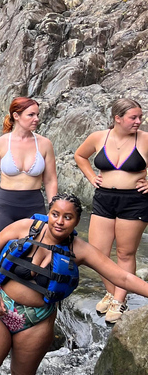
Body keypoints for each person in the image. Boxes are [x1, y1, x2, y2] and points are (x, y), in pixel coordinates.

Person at [0, 193, 148, 375]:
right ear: (49, 213)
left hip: (36, 322)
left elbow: (122, 278)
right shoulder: (25, 227)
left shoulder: (80, 249)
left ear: (77, 222)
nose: (59, 221)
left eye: (68, 217)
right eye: (55, 214)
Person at [74, 98, 148, 322]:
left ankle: (119, 300)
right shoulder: (99, 137)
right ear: (117, 118)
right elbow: (80, 155)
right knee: (97, 253)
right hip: (104, 198)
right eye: (133, 117)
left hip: (134, 200)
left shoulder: (144, 139)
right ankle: (111, 292)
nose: (139, 121)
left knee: (125, 253)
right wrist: (90, 176)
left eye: (140, 117)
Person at [0, 97, 58, 237]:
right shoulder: (0, 143)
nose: (36, 119)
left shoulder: (44, 144)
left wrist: (54, 209)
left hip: (34, 206)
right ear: (16, 116)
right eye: (31, 115)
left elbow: (50, 180)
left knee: (35, 255)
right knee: (0, 255)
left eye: (37, 115)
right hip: (5, 207)